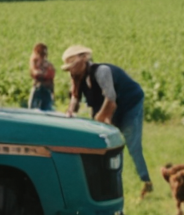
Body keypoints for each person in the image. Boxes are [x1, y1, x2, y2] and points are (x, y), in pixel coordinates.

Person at [64, 45, 152, 199]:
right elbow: (74, 101)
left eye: (72, 65)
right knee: (98, 142)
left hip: (129, 103)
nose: (70, 70)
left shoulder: (101, 71)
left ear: (83, 60)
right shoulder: (77, 79)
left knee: (131, 141)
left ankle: (145, 181)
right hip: (108, 105)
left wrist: (101, 120)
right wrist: (69, 115)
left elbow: (111, 100)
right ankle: (101, 180)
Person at [27, 42, 55, 112]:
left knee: (47, 109)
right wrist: (44, 73)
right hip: (38, 87)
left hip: (47, 89)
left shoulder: (47, 64)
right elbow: (35, 73)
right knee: (33, 109)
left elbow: (51, 74)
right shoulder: (34, 60)